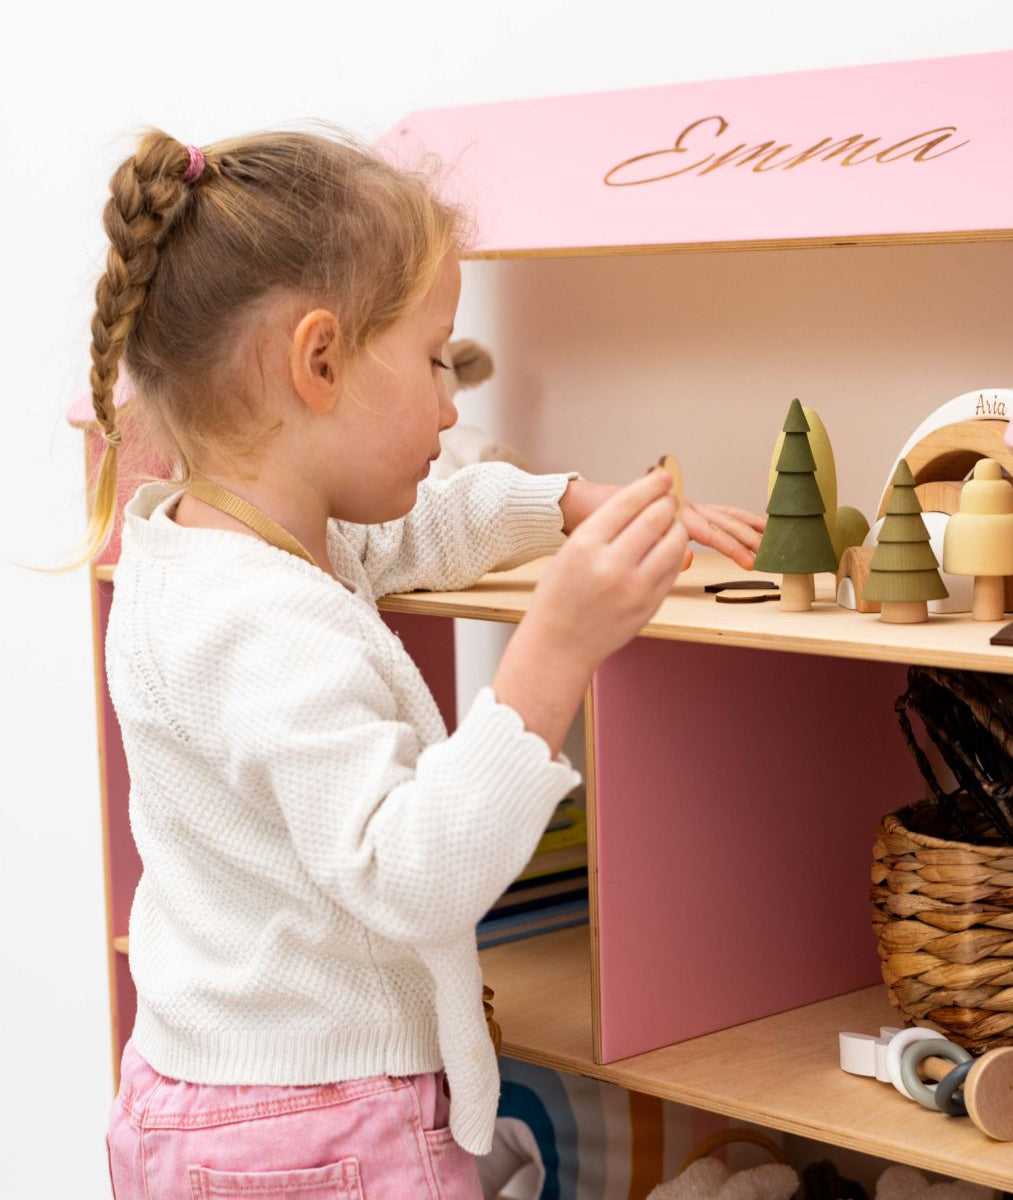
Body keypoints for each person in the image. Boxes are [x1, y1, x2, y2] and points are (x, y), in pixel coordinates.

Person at [77, 127, 764, 1198]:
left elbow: (426, 527)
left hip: (217, 1107)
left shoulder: (227, 549)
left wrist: (565, 501)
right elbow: (416, 879)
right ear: (317, 361)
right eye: (436, 358)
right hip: (316, 1138)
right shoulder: (261, 625)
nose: (451, 404)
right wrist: (553, 652)